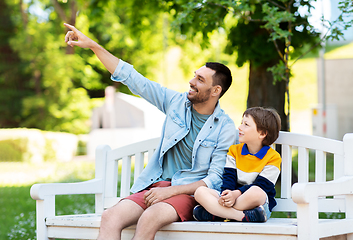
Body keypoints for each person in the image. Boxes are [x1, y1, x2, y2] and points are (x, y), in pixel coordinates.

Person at [64, 23, 236, 240]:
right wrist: (93, 46)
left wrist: (170, 191)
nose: (191, 82)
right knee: (110, 217)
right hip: (155, 186)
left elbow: (214, 179)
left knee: (149, 217)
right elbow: (135, 80)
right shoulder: (176, 102)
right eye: (195, 76)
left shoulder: (226, 128)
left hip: (189, 194)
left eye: (200, 80)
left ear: (216, 91)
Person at [193, 107, 281, 222]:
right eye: (241, 123)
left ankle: (217, 213)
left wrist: (236, 194)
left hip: (256, 206)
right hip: (233, 199)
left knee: (256, 192)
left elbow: (263, 185)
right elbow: (229, 177)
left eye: (246, 124)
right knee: (200, 191)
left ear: (262, 133)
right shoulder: (234, 151)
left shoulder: (273, 157)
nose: (239, 127)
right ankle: (240, 216)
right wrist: (227, 194)